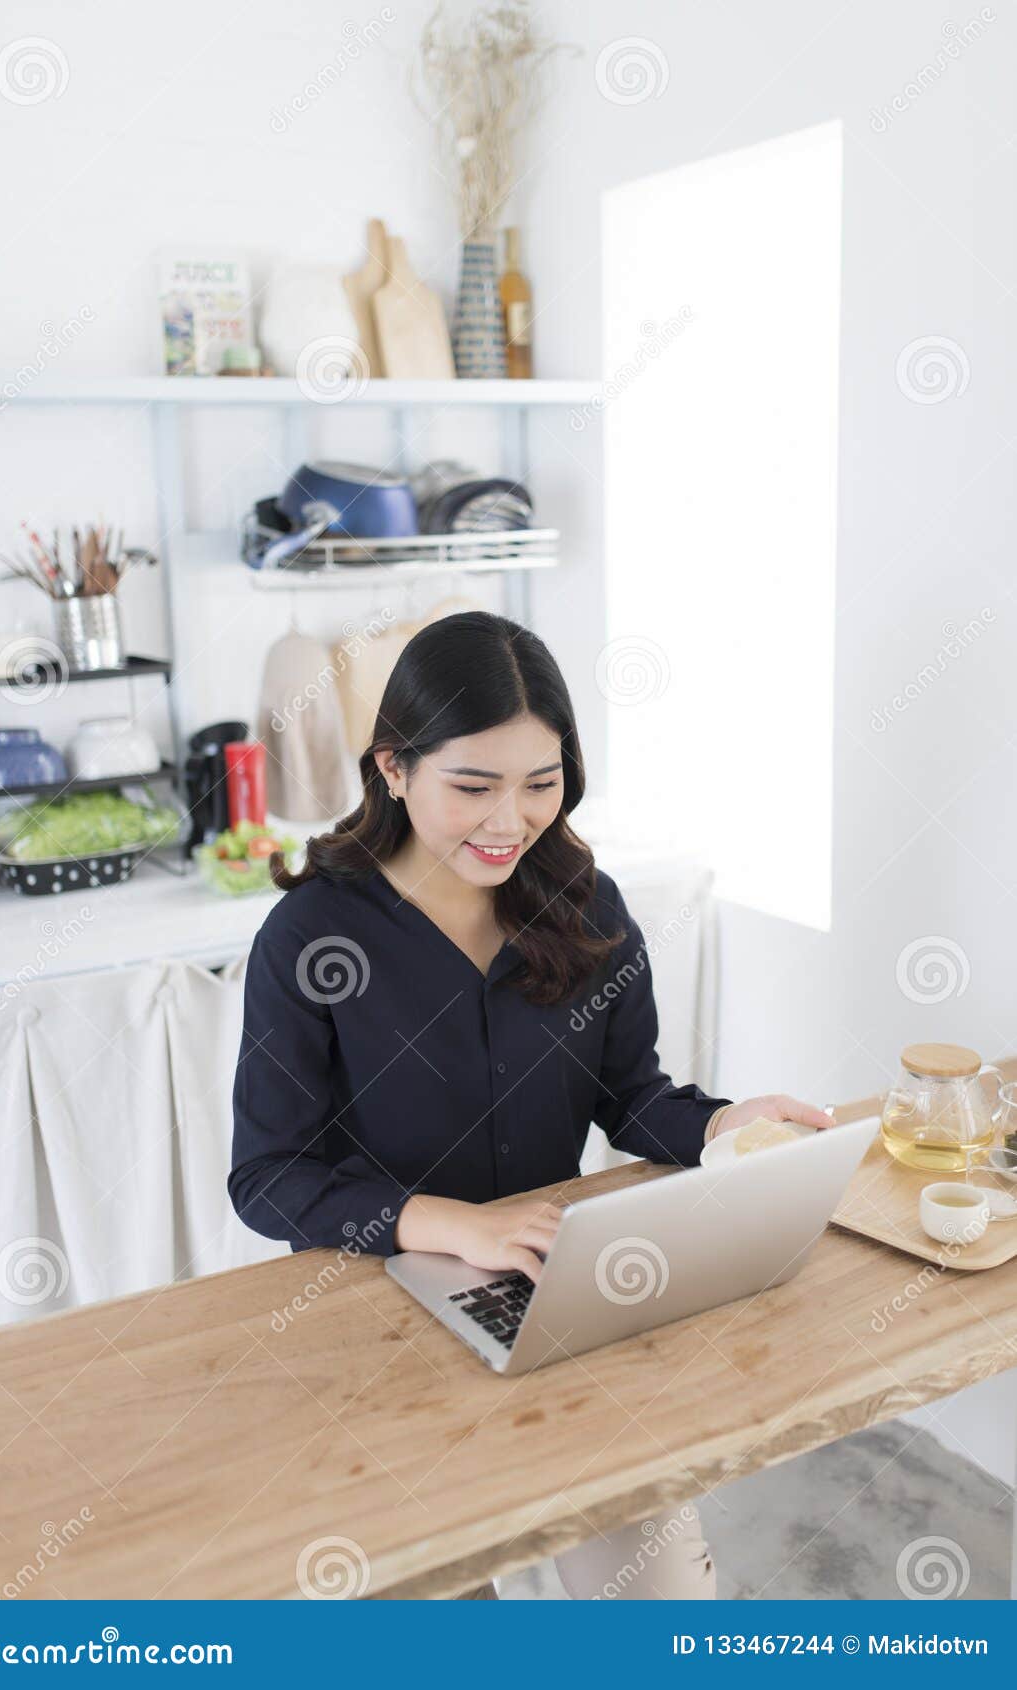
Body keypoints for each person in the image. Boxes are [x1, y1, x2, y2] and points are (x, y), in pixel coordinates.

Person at [228, 610, 832, 1600]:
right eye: (472, 786)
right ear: (392, 766)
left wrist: (725, 1125)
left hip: (555, 1293)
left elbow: (631, 1097)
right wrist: (455, 1226)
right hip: (379, 1312)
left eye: (541, 784)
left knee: (665, 1605)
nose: (509, 820)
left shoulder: (588, 907)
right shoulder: (313, 934)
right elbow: (266, 1175)